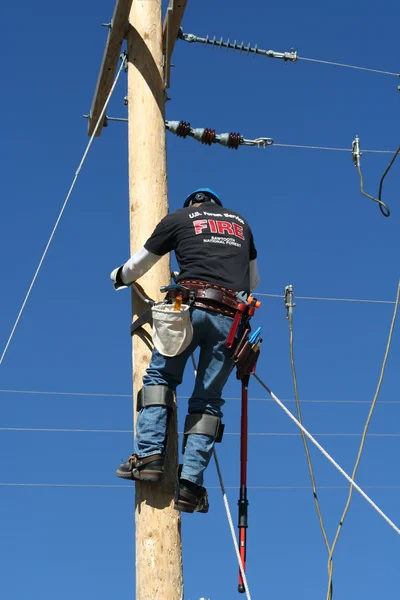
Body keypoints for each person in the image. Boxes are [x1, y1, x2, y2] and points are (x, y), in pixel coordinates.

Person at [110, 188, 259, 513]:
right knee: (208, 401)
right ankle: (190, 486)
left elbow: (138, 266)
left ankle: (149, 457)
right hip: (230, 318)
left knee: (161, 377)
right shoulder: (241, 224)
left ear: (193, 205)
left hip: (187, 307)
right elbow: (253, 282)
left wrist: (119, 277)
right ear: (218, 206)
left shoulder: (179, 219)